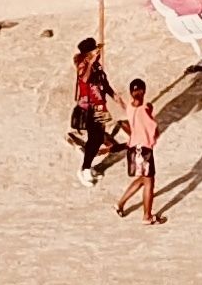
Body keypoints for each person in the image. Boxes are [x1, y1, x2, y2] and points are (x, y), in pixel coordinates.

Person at [113, 77, 162, 225]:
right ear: (143, 91)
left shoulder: (129, 108)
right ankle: (147, 216)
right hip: (144, 149)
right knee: (149, 182)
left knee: (143, 179)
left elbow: (125, 105)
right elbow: (155, 129)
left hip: (133, 149)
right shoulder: (145, 108)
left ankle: (120, 204)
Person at [67, 36, 115, 184]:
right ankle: (85, 169)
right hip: (89, 109)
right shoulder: (84, 65)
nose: (98, 51)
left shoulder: (97, 65)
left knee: (98, 139)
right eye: (95, 50)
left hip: (100, 106)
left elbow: (104, 83)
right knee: (94, 140)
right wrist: (91, 62)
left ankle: (87, 165)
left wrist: (116, 97)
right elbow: (85, 79)